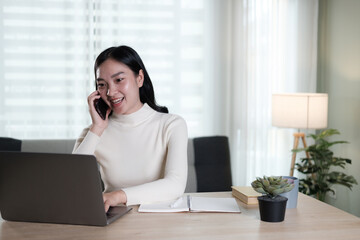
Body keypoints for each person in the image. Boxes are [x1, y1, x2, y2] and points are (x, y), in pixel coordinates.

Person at [73, 46, 188, 212]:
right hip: (112, 222)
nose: (111, 92)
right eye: (102, 84)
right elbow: (71, 183)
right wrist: (97, 128)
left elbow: (175, 185)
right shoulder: (94, 132)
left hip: (161, 222)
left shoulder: (172, 125)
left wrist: (118, 196)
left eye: (119, 80)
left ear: (139, 78)